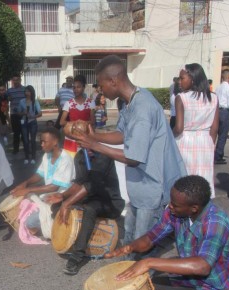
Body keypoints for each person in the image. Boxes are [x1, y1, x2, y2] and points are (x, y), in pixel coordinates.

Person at [74, 55, 186, 261]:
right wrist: (94, 136)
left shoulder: (143, 107)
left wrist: (95, 145)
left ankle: (141, 287)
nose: (101, 91)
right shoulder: (128, 103)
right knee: (130, 243)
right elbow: (123, 136)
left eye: (101, 85)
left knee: (141, 249)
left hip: (152, 188)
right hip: (138, 188)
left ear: (114, 81)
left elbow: (133, 157)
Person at [106, 175, 229, 290]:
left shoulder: (216, 222)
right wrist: (128, 247)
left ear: (194, 208)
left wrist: (149, 262)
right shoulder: (176, 212)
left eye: (175, 204)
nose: (170, 206)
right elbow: (152, 237)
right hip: (185, 280)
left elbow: (202, 266)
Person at [46, 146, 124, 275]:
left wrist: (67, 203)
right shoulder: (80, 156)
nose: (87, 149)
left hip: (110, 202)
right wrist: (62, 196)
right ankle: (71, 238)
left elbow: (91, 185)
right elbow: (79, 183)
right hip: (90, 198)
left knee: (89, 209)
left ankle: (77, 256)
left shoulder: (103, 156)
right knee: (56, 207)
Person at [10, 127, 75, 235]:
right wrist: (25, 183)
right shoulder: (47, 156)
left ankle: (54, 222)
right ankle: (45, 221)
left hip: (61, 198)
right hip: (48, 196)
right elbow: (39, 174)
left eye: (44, 142)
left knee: (29, 222)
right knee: (21, 208)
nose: (42, 145)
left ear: (55, 142)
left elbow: (55, 187)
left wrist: (27, 190)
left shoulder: (65, 159)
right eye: (41, 142)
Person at [173, 63, 219, 198]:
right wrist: (211, 145)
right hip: (205, 141)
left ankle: (184, 209)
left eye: (182, 78)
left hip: (184, 141)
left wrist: (169, 136)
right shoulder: (213, 97)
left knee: (184, 179)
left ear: (193, 78)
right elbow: (215, 127)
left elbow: (179, 128)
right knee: (202, 177)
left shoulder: (181, 98)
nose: (179, 82)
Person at [59, 74, 95, 155]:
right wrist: (75, 124)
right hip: (71, 137)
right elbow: (61, 122)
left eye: (78, 87)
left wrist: (81, 124)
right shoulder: (68, 103)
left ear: (83, 87)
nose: (75, 89)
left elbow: (93, 121)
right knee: (70, 161)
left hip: (86, 137)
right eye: (74, 87)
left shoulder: (91, 102)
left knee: (85, 163)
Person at [214, 70, 229, 165]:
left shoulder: (218, 87)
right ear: (228, 77)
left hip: (217, 111)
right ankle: (218, 155)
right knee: (223, 135)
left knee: (216, 134)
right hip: (224, 111)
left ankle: (216, 153)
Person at [18, 85, 42, 164]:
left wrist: (33, 116)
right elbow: (18, 113)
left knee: (32, 140)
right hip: (24, 122)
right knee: (25, 140)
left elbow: (40, 113)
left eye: (28, 91)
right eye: (25, 91)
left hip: (32, 122)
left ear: (32, 92)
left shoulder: (35, 101)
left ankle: (33, 157)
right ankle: (26, 157)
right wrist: (23, 113)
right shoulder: (22, 101)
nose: (27, 93)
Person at [7, 75, 26, 155]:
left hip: (23, 114)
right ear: (12, 81)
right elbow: (7, 100)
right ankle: (16, 149)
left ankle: (26, 148)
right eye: (14, 80)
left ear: (20, 80)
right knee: (16, 133)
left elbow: (28, 100)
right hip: (14, 114)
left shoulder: (25, 89)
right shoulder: (9, 91)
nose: (15, 82)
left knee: (24, 132)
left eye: (17, 80)